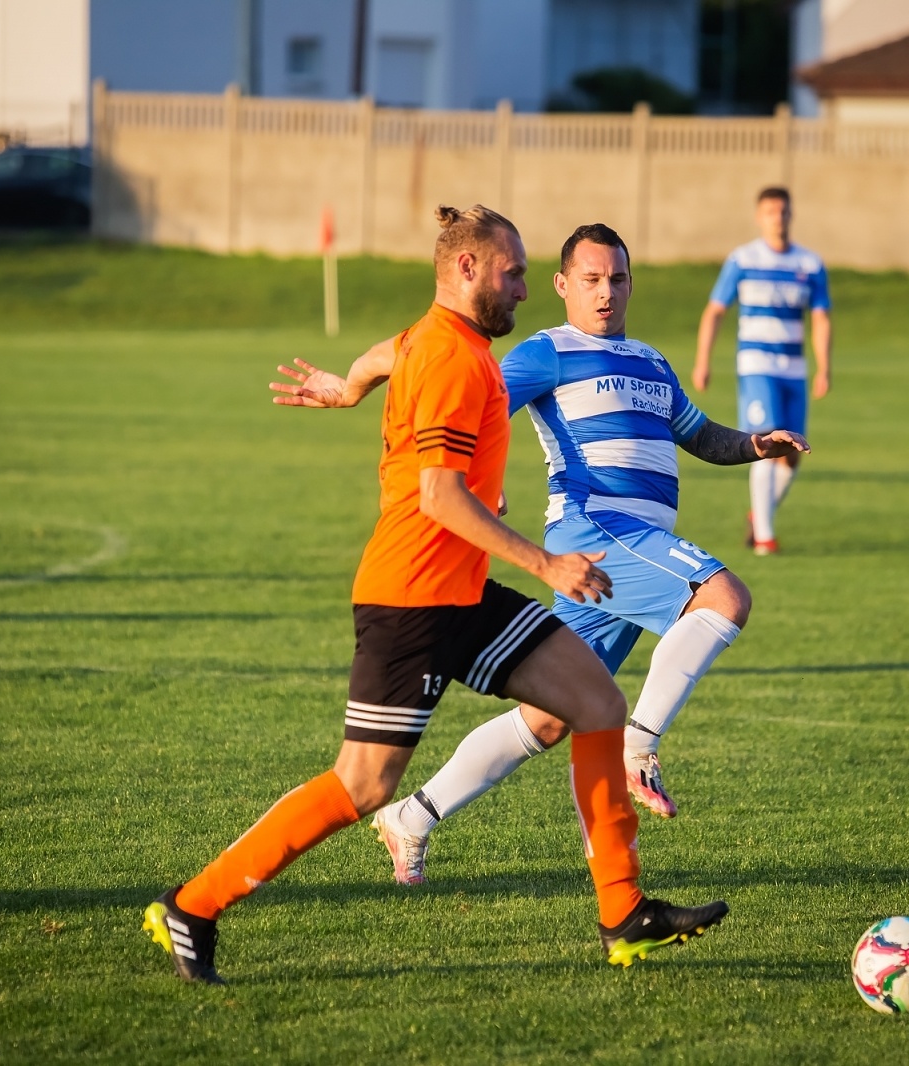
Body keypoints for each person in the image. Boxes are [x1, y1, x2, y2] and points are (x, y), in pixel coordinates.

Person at [144, 205, 727, 983]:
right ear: (466, 269)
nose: (524, 289)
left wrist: (348, 385)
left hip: (462, 592)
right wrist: (546, 565)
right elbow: (439, 497)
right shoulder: (453, 358)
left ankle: (623, 913)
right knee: (362, 785)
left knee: (595, 702)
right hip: (412, 599)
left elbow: (385, 354)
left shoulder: (436, 338)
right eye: (513, 273)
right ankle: (192, 906)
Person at [276, 223, 807, 886]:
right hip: (597, 532)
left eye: (617, 279)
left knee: (552, 717)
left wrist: (755, 444)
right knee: (723, 598)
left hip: (622, 557)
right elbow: (463, 389)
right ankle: (639, 746)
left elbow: (699, 436)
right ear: (562, 285)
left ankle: (412, 816)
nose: (605, 292)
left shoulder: (651, 361)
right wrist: (370, 397)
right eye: (591, 279)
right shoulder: (549, 351)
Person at [692, 187, 832, 555]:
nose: (777, 218)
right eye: (770, 212)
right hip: (757, 366)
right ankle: (765, 539)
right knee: (765, 441)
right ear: (759, 217)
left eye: (783, 211)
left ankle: (759, 515)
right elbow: (715, 311)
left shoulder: (809, 264)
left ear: (791, 215)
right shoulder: (743, 259)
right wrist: (703, 360)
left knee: (793, 452)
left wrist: (824, 367)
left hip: (794, 369)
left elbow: (821, 317)